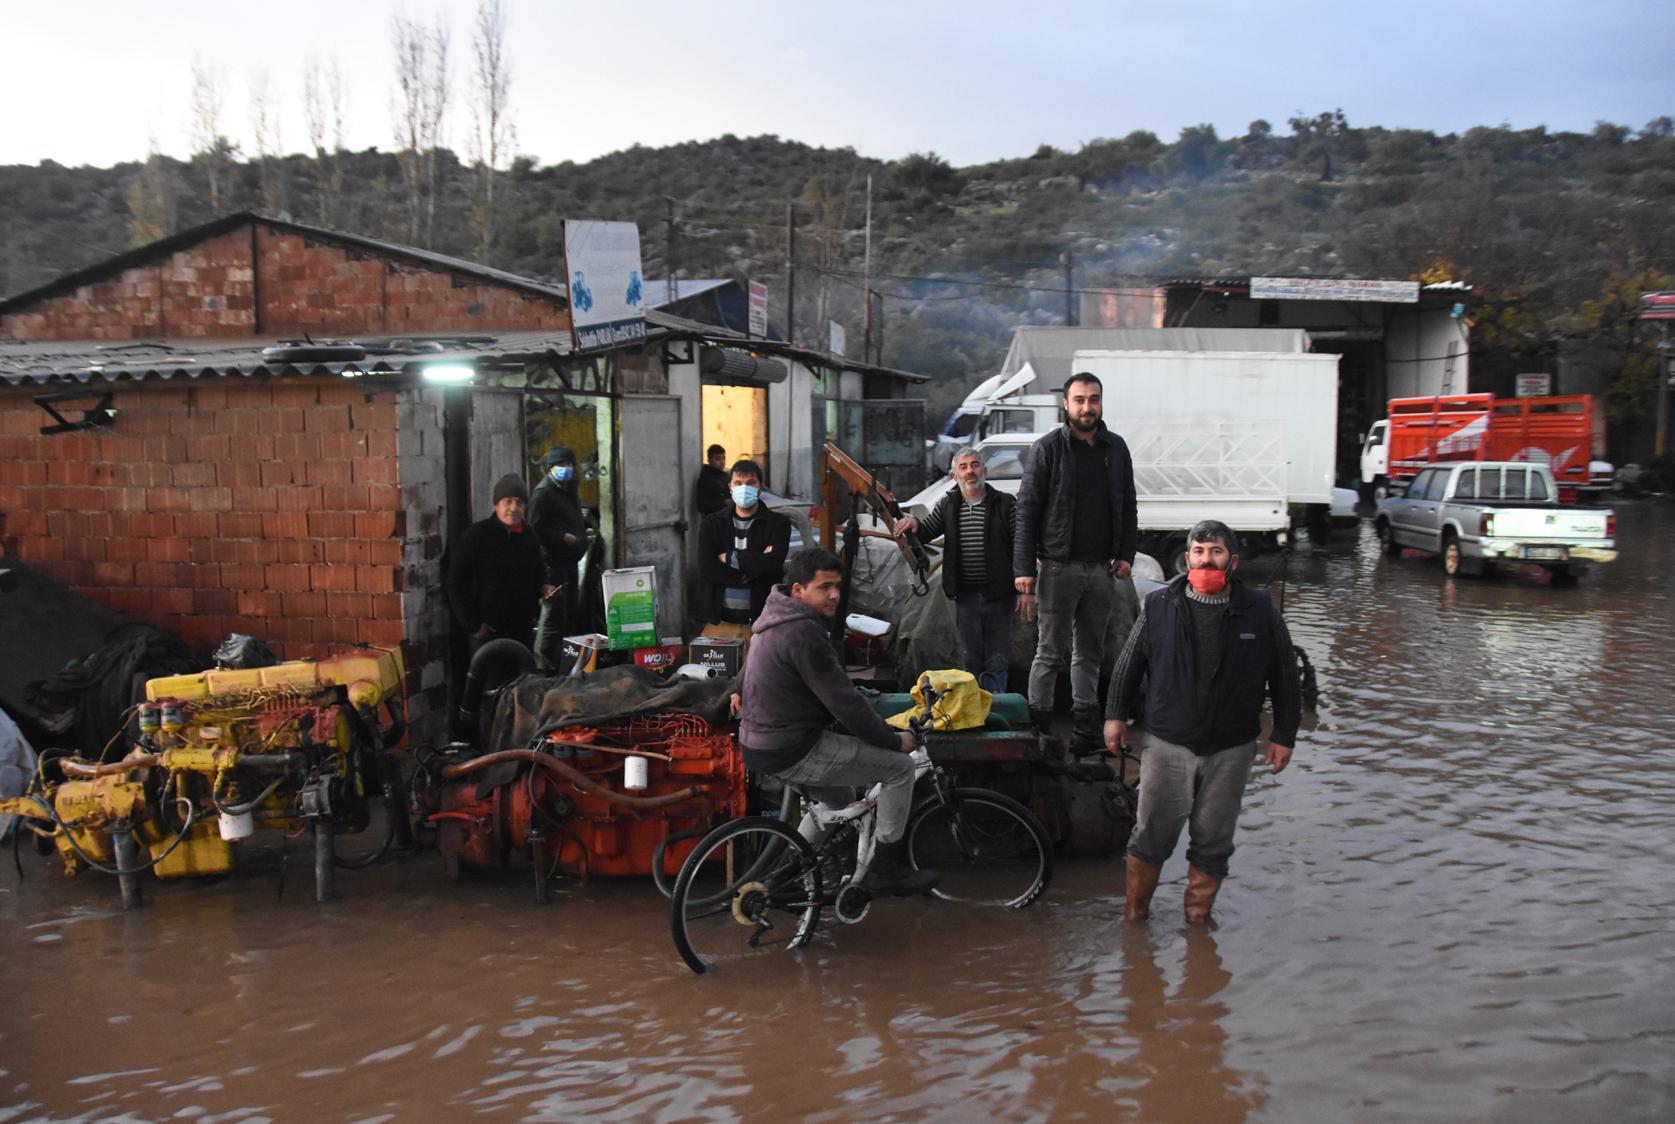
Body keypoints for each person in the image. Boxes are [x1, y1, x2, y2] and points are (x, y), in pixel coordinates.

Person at [1103, 519, 1300, 925]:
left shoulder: (1259, 610)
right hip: (1167, 741)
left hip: (1232, 745)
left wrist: (1284, 735)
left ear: (1233, 561)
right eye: (1198, 551)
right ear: (1186, 557)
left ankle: (1197, 921)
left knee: (1213, 839)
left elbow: (1284, 673)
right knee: (1152, 834)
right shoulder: (1160, 605)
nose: (1205, 560)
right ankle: (1135, 917)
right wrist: (1114, 716)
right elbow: (1129, 662)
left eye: (1215, 552)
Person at [739, 548, 938, 895]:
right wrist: (895, 741)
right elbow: (845, 703)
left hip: (761, 743)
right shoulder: (802, 632)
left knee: (840, 802)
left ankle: (784, 880)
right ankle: (887, 870)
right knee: (899, 769)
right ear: (798, 590)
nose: (834, 595)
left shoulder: (772, 619)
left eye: (837, 587)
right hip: (793, 746)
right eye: (824, 587)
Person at [1014, 371, 1139, 750]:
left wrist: (1127, 553)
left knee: (1090, 652)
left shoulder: (1116, 449)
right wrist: (1023, 570)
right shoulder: (1047, 448)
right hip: (1056, 566)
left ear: (1101, 403)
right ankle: (1039, 728)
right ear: (1066, 404)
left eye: (1094, 399)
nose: (1087, 407)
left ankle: (1086, 731)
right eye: (1080, 400)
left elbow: (1129, 505)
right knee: (1049, 652)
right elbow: (1027, 511)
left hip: (1101, 569)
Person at [893, 446, 1019, 692]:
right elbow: (927, 530)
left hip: (1000, 596)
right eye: (963, 467)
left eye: (974, 465)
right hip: (965, 597)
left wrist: (1026, 588)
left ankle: (999, 708)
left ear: (984, 469)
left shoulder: (1005, 503)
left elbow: (1020, 544)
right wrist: (913, 521)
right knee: (970, 660)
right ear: (955, 476)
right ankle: (974, 711)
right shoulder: (949, 505)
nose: (970, 471)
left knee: (997, 659)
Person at [445, 473, 550, 655]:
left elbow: (539, 573)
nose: (513, 508)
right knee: (491, 682)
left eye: (519, 502)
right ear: (497, 504)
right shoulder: (476, 536)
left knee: (523, 681)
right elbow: (456, 583)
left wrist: (545, 587)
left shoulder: (529, 536)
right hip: (488, 633)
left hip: (522, 631)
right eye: (507, 501)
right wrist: (473, 625)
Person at [696, 458, 791, 638]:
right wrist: (749, 573)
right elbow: (707, 567)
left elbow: (772, 564)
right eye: (738, 483)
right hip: (720, 621)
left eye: (750, 483)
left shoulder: (777, 523)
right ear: (730, 487)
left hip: (762, 622)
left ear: (760, 487)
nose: (744, 488)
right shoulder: (713, 523)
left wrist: (729, 558)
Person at [528, 446, 588, 669]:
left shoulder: (568, 489)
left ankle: (562, 664)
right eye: (560, 465)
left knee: (568, 617)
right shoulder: (543, 493)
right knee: (552, 619)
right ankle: (542, 667)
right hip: (553, 566)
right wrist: (562, 537)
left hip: (569, 564)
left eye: (569, 465)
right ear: (550, 469)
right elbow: (534, 530)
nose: (565, 469)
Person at [695, 443, 730, 516]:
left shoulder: (726, 477)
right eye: (717, 459)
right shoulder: (706, 479)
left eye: (723, 458)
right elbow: (702, 506)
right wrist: (724, 503)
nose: (722, 462)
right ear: (709, 460)